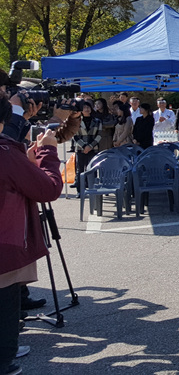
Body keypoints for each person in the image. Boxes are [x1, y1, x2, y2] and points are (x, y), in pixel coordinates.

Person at [1, 91, 63, 375]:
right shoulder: (4, 153)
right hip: (6, 245)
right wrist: (49, 150)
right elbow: (48, 189)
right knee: (5, 301)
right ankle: (4, 359)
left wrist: (23, 159)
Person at [70, 100, 101, 195]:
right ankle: (80, 190)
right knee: (80, 170)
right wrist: (84, 146)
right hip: (80, 149)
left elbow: (99, 135)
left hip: (93, 148)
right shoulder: (76, 121)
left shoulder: (97, 121)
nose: (86, 109)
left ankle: (92, 188)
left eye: (88, 107)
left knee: (92, 169)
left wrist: (90, 146)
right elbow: (74, 136)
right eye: (84, 108)